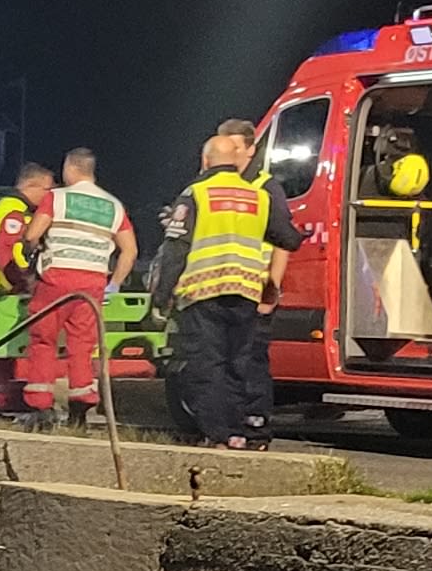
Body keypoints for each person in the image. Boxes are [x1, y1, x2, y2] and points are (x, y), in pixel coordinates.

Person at [157, 120, 308, 449]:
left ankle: (218, 434)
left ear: (206, 159)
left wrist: (161, 295)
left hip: (203, 293)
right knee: (240, 364)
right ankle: (241, 431)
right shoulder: (259, 195)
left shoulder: (196, 193)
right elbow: (288, 239)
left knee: (207, 365)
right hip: (246, 294)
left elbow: (175, 250)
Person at [30, 148, 138, 429]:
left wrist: (31, 252)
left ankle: (41, 409)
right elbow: (130, 251)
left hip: (56, 278)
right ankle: (80, 408)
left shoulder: (57, 197)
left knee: (44, 340)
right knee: (82, 345)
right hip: (93, 283)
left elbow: (32, 234)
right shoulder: (113, 205)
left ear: (70, 168)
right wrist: (114, 284)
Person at [0, 169, 53, 421]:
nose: (49, 196)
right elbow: (4, 251)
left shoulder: (7, 206)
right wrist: (17, 282)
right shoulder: (13, 210)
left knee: (0, 348)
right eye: (47, 190)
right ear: (31, 186)